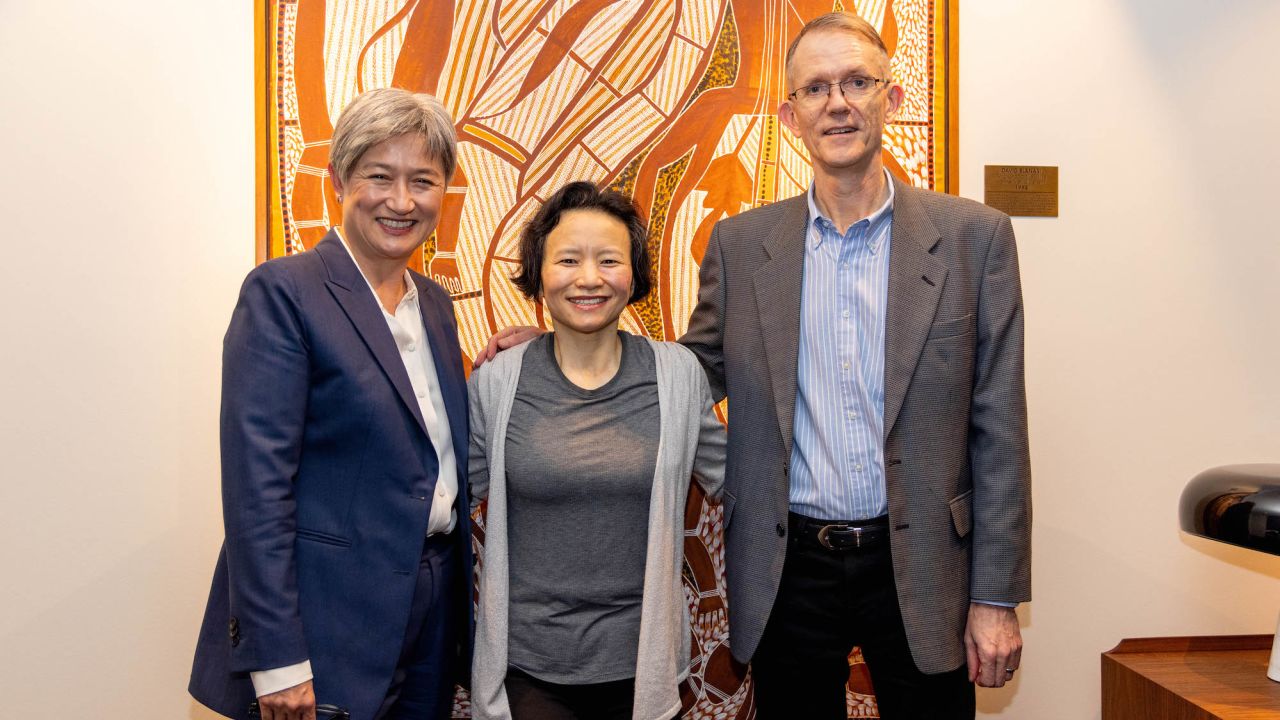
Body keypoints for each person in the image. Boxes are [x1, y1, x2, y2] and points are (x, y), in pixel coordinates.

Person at [479, 12, 1031, 718]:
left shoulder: (973, 240)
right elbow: (688, 372)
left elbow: (1001, 431)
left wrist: (995, 598)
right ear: (790, 114)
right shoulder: (742, 246)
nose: (838, 102)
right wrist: (564, 347)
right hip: (786, 563)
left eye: (858, 82)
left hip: (925, 562)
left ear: (891, 101)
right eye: (817, 88)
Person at [189, 87, 472, 720]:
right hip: (324, 625)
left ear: (443, 194)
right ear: (340, 178)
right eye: (381, 176)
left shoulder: (436, 306)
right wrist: (278, 659)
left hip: (428, 613)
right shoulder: (284, 294)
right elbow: (256, 491)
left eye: (422, 181)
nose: (402, 201)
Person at [467, 181, 726, 720]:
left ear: (633, 274)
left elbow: (741, 483)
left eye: (609, 259)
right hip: (528, 667)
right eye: (567, 260)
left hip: (644, 666)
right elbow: (443, 494)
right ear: (539, 273)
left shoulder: (678, 375)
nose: (589, 278)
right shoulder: (497, 383)